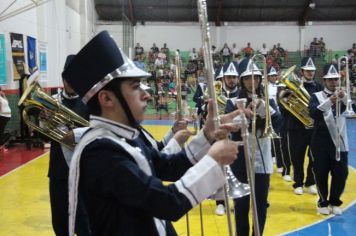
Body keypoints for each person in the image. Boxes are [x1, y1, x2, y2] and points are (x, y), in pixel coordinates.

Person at [64, 31, 239, 236]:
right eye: (136, 87)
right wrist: (213, 160)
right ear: (107, 99)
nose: (147, 95)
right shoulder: (101, 152)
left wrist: (207, 135)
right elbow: (165, 202)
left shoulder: (128, 136)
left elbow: (167, 167)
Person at [226, 58, 278, 236]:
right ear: (242, 81)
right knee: (241, 206)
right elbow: (228, 126)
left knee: (261, 205)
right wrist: (243, 114)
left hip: (262, 162)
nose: (252, 81)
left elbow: (278, 122)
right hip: (240, 161)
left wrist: (262, 107)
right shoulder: (232, 102)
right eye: (248, 78)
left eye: (256, 77)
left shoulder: (267, 101)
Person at [48, 55, 91, 236]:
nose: (70, 82)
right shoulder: (52, 101)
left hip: (83, 172)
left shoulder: (90, 102)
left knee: (84, 222)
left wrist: (76, 134)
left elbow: (99, 130)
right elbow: (42, 132)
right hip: (58, 172)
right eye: (67, 78)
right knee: (60, 222)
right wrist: (44, 122)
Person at [309, 64, 349, 215]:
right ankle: (322, 201)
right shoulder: (316, 96)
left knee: (341, 173)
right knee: (320, 173)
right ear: (324, 81)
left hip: (340, 142)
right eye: (330, 80)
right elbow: (314, 113)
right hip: (320, 142)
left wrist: (344, 97)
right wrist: (330, 101)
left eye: (336, 79)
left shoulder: (344, 95)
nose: (334, 82)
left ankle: (334, 201)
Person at [280, 57, 323, 195]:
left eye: (312, 71)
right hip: (296, 127)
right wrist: (286, 104)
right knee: (297, 157)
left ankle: (310, 182)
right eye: (307, 70)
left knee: (314, 157)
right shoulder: (291, 86)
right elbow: (283, 106)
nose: (310, 73)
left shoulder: (319, 87)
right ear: (302, 71)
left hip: (314, 128)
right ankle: (298, 182)